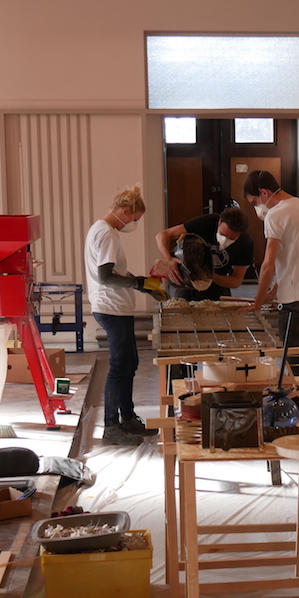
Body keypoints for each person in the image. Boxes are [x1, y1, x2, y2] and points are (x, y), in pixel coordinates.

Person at [242, 170, 299, 411]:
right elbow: (297, 256)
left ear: (264, 193)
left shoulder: (275, 215)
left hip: (295, 303)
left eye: (254, 202)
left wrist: (258, 301)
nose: (256, 208)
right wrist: (276, 288)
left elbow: (268, 264)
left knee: (294, 363)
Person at [84, 183, 166, 446]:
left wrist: (144, 285)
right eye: (134, 219)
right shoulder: (106, 234)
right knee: (120, 367)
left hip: (115, 307)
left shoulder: (101, 229)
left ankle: (127, 418)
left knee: (130, 363)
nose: (132, 224)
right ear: (124, 211)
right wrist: (138, 283)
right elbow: (106, 277)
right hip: (111, 308)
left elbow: (117, 273)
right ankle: (111, 427)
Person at [154, 207, 254, 301]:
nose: (224, 240)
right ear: (220, 222)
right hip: (188, 283)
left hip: (218, 287)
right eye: (222, 234)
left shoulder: (245, 242)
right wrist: (168, 259)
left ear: (240, 235)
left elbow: (236, 281)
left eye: (231, 239)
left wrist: (209, 276)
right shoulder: (208, 222)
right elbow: (162, 235)